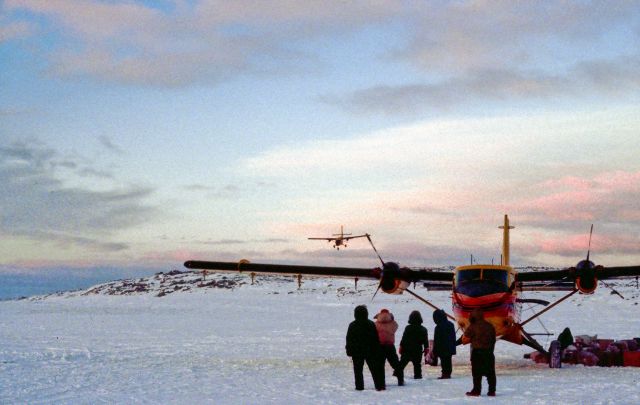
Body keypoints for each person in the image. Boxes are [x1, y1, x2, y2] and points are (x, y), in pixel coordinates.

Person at [346, 305, 385, 391]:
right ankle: (379, 386)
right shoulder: (371, 324)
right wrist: (377, 349)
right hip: (370, 351)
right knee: (374, 370)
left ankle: (359, 387)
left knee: (358, 371)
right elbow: (375, 338)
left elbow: (349, 339)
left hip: (357, 352)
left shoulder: (352, 325)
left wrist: (349, 350)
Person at [461, 309, 496, 397]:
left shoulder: (473, 326)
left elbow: (466, 336)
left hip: (477, 352)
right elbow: (493, 339)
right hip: (489, 352)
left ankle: (476, 390)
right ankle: (492, 390)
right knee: (491, 373)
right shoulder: (490, 326)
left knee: (476, 373)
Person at [396, 310, 429, 385]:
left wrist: (401, 347)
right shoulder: (424, 329)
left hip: (407, 349)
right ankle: (418, 376)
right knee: (417, 365)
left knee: (402, 364)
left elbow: (404, 339)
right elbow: (425, 341)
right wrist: (426, 349)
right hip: (417, 350)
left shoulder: (408, 328)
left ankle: (397, 373)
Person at [374, 308, 402, 386]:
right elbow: (396, 326)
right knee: (395, 363)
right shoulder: (392, 323)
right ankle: (400, 379)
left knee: (380, 365)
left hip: (380, 346)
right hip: (390, 346)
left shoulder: (376, 324)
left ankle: (381, 383)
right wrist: (392, 318)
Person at [432, 308, 456, 379]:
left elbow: (437, 340)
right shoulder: (451, 324)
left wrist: (435, 351)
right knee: (448, 360)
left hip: (442, 348)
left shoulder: (438, 327)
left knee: (444, 362)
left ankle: (445, 374)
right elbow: (453, 336)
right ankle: (448, 373)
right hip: (450, 347)